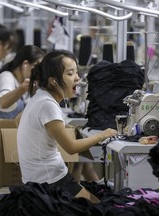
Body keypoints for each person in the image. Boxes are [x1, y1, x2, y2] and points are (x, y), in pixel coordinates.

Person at [17, 50, 117, 202]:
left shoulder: (40, 96)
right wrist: (103, 135)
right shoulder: (47, 104)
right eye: (70, 74)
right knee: (99, 207)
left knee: (91, 188)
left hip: (38, 177)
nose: (77, 78)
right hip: (49, 181)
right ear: (53, 81)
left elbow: (18, 120)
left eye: (76, 72)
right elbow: (71, 148)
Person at [0, 45, 44, 119]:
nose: (38, 72)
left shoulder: (23, 81)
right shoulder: (7, 77)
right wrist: (22, 88)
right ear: (25, 64)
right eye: (36, 67)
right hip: (0, 129)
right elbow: (3, 103)